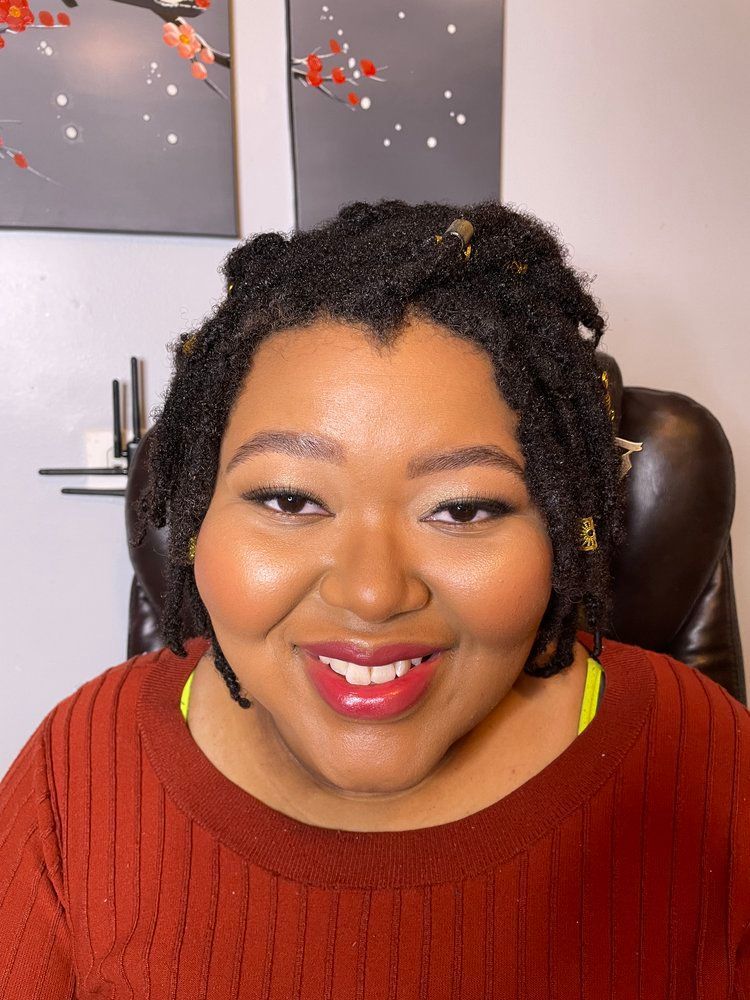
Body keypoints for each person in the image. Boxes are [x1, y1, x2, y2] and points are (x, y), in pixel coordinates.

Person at [1, 199, 748, 998]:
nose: (371, 593)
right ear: (192, 520)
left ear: (566, 535)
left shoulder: (702, 760)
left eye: (462, 508)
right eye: (290, 500)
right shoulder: (77, 771)